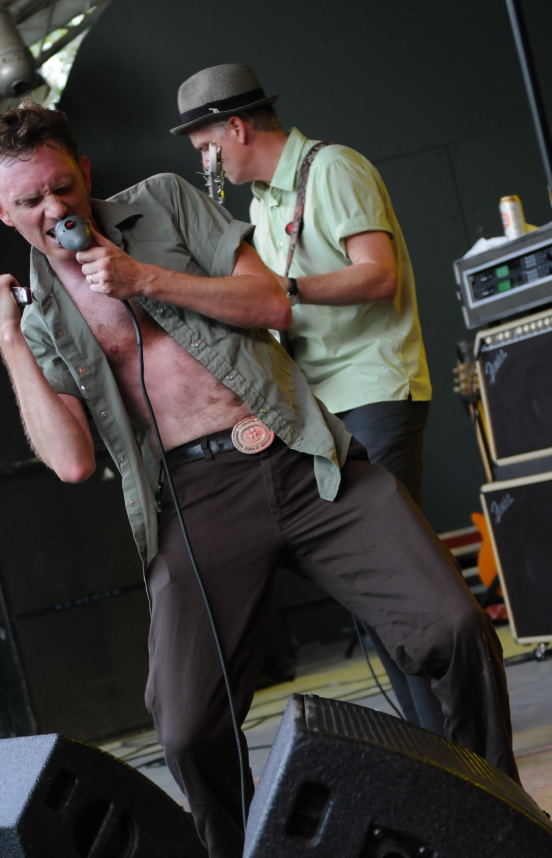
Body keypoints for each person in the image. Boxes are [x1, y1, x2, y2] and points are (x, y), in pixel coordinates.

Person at [0, 103, 518, 858]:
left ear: (84, 172)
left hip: (299, 454)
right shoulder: (40, 315)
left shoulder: (163, 203)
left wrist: (143, 279)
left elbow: (271, 302)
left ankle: (496, 812)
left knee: (452, 626)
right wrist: (8, 334)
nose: (55, 209)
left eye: (62, 186)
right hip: (197, 498)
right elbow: (71, 461)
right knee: (186, 722)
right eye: (30, 201)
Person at [171, 63, 442, 731]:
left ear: (236, 129)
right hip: (322, 409)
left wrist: (282, 292)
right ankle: (434, 745)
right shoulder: (262, 203)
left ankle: (457, 748)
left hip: (374, 390)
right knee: (375, 593)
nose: (206, 164)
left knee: (397, 585)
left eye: (205, 147)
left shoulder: (334, 168)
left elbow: (378, 277)